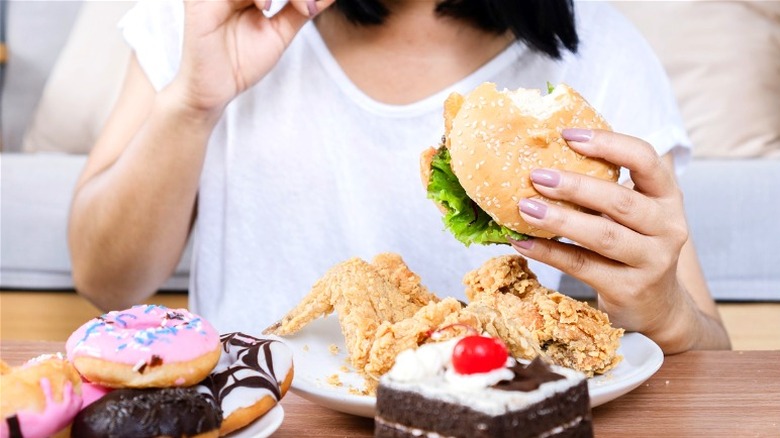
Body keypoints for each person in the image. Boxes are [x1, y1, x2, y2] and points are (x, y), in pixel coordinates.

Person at [68, 0, 730, 353]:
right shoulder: (200, 15)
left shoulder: (602, 52)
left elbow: (709, 347)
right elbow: (106, 281)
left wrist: (664, 311)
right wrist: (192, 103)